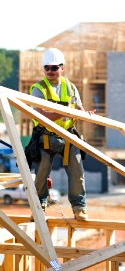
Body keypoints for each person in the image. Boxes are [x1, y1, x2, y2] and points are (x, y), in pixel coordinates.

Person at [30, 48, 91, 221]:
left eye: (54, 67)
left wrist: (86, 114)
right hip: (46, 136)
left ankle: (79, 208)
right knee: (41, 173)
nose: (50, 71)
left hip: (68, 136)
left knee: (77, 170)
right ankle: (39, 207)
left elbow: (79, 110)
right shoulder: (38, 89)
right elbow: (42, 116)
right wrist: (66, 112)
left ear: (62, 68)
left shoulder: (71, 88)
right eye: (47, 67)